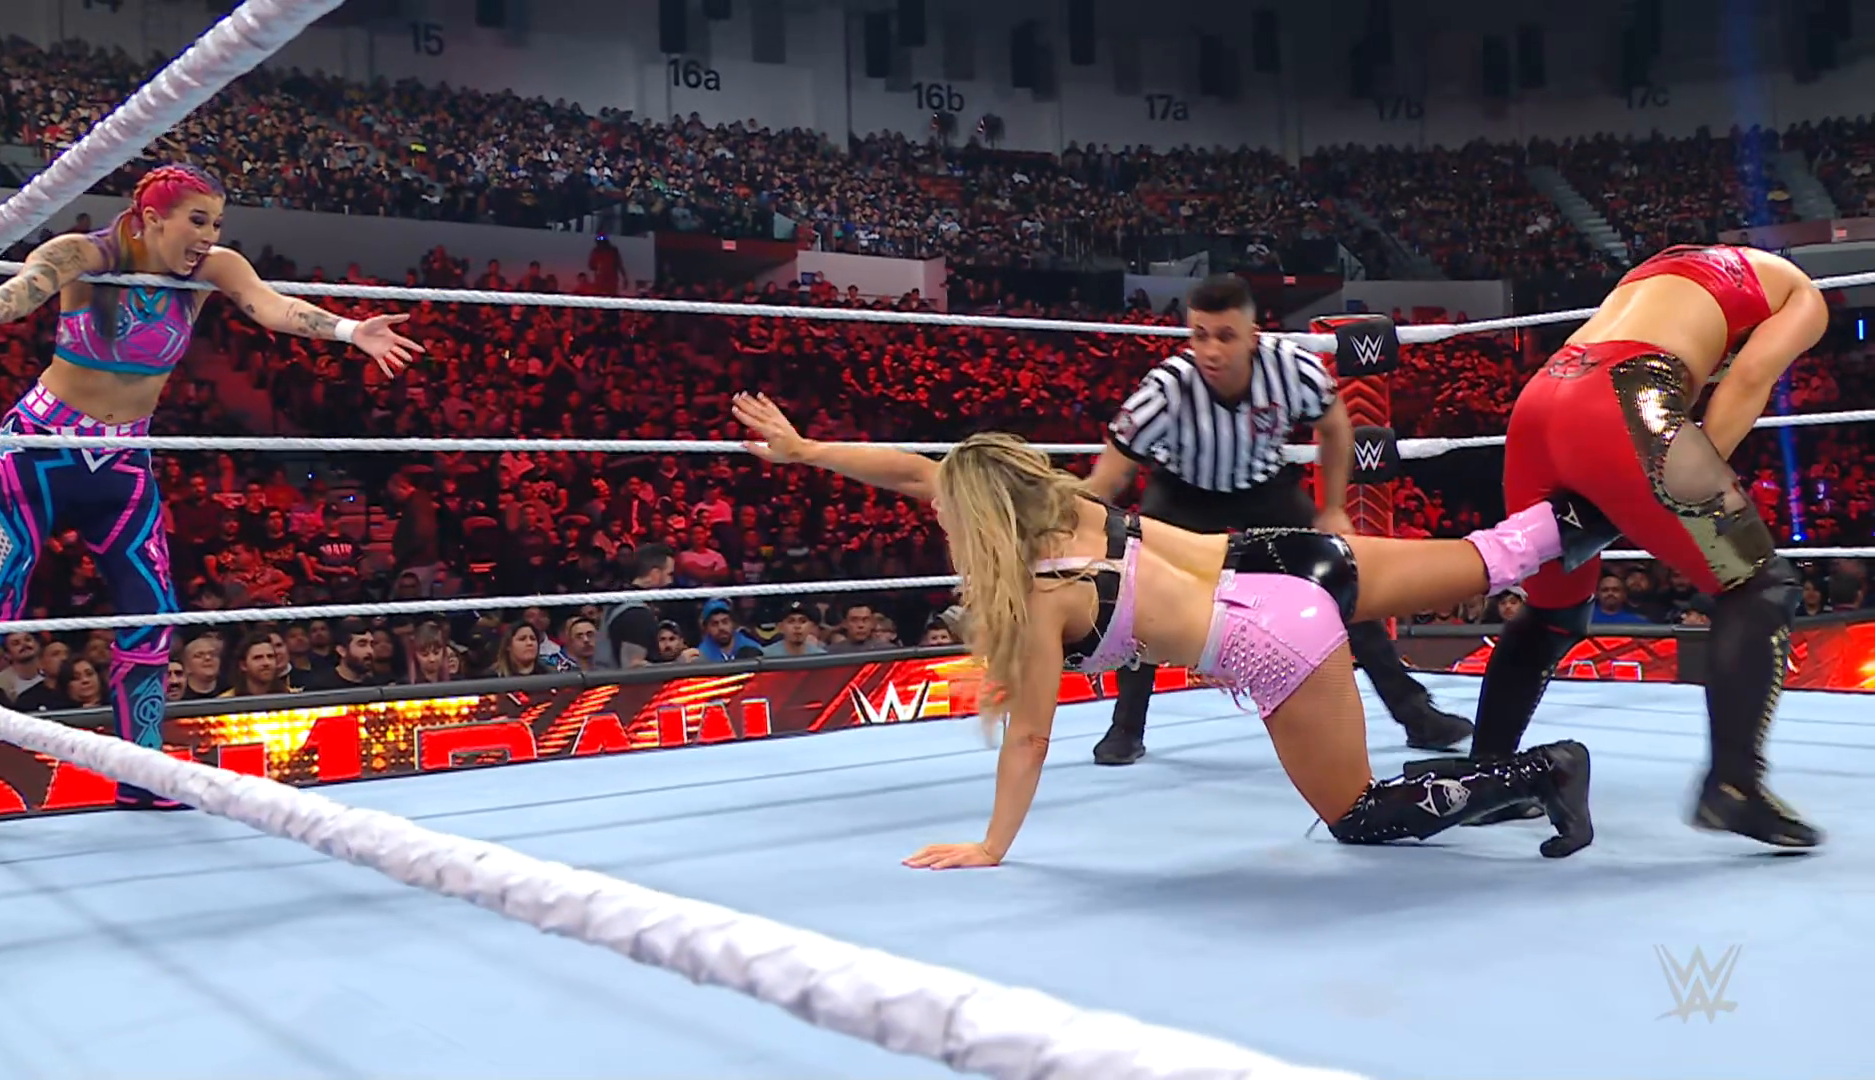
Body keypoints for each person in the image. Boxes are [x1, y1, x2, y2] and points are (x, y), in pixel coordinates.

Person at [732, 392, 1612, 866]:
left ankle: (1541, 768)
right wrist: (808, 453)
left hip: (1273, 627)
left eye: (950, 514)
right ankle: (1611, 500)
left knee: (1357, 816)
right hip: (1277, 558)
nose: (940, 518)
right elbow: (921, 473)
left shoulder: (1040, 595)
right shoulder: (1061, 506)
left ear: (981, 519)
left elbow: (1030, 736)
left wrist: (991, 845)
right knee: (1489, 556)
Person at [0, 163, 422, 809]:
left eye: (217, 224)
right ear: (152, 218)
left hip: (123, 461)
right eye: (197, 221)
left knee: (152, 616)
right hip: (37, 451)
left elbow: (271, 306)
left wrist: (349, 331)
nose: (209, 237)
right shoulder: (86, 254)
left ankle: (142, 780)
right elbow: (31, 283)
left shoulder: (211, 269)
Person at [1456, 243, 1826, 848]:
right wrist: (1679, 494)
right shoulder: (1802, 294)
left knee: (1553, 610)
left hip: (1543, 397)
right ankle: (1734, 785)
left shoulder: (1659, 273)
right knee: (1759, 583)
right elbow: (1750, 378)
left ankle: (1487, 780)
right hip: (1627, 394)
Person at [1086, 276, 1470, 767]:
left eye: (1225, 336)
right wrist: (1076, 529)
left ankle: (1416, 715)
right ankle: (1126, 727)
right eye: (1200, 335)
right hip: (1183, 493)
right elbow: (1110, 475)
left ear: (1252, 336)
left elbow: (1335, 427)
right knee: (1139, 592)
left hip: (1265, 488)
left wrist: (1333, 508)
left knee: (1340, 581)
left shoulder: (1290, 368)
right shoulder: (1166, 388)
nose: (1211, 350)